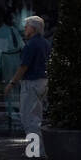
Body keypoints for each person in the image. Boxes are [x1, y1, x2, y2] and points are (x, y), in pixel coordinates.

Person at [4, 15, 50, 152]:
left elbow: (23, 67)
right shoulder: (45, 43)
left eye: (27, 26)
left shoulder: (31, 45)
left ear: (34, 28)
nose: (25, 28)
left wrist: (12, 83)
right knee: (36, 117)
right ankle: (39, 149)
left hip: (31, 84)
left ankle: (35, 151)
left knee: (28, 119)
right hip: (42, 82)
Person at [0, 12, 24, 128]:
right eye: (11, 17)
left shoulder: (14, 29)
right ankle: (10, 111)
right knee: (8, 84)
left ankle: (17, 109)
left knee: (17, 84)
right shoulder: (2, 31)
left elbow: (21, 43)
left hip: (16, 56)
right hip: (7, 57)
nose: (13, 19)